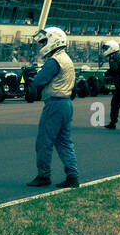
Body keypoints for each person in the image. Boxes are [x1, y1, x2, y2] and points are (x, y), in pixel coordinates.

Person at [26, 27, 80, 188]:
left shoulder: (54, 61)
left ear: (53, 40)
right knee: (64, 141)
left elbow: (38, 82)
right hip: (66, 104)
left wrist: (28, 80)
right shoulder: (66, 59)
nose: (42, 44)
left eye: (44, 41)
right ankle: (72, 175)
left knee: (44, 141)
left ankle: (44, 175)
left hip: (54, 104)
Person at [101, 39, 120, 130]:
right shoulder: (117, 56)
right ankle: (113, 122)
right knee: (115, 103)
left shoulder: (114, 57)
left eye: (107, 48)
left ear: (112, 48)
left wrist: (107, 73)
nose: (105, 50)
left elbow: (114, 70)